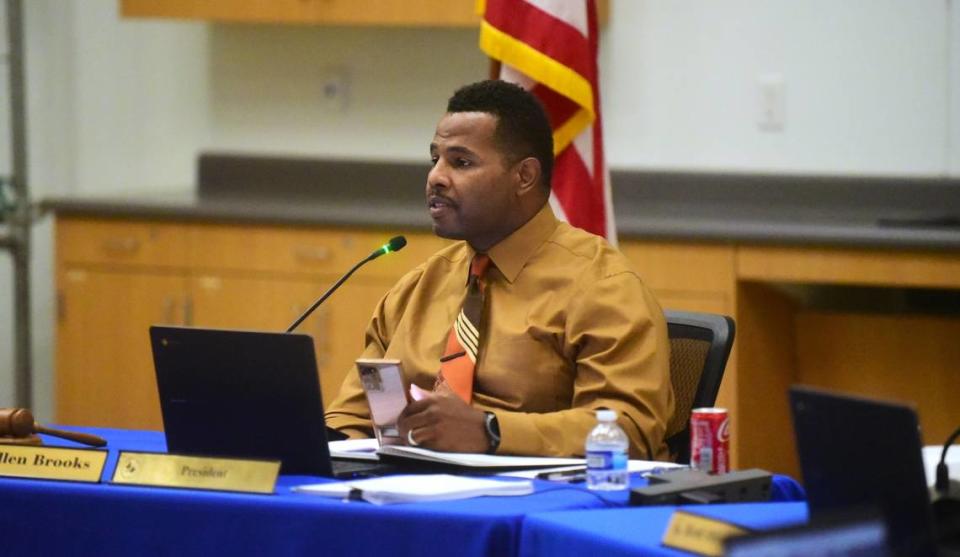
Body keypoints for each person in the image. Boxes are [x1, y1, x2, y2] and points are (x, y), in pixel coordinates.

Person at [324, 79, 674, 459]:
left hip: (534, 503)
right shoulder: (419, 286)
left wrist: (491, 430)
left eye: (461, 162)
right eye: (435, 159)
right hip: (409, 494)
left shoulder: (602, 286)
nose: (436, 177)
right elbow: (353, 416)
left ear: (524, 176)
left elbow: (628, 429)